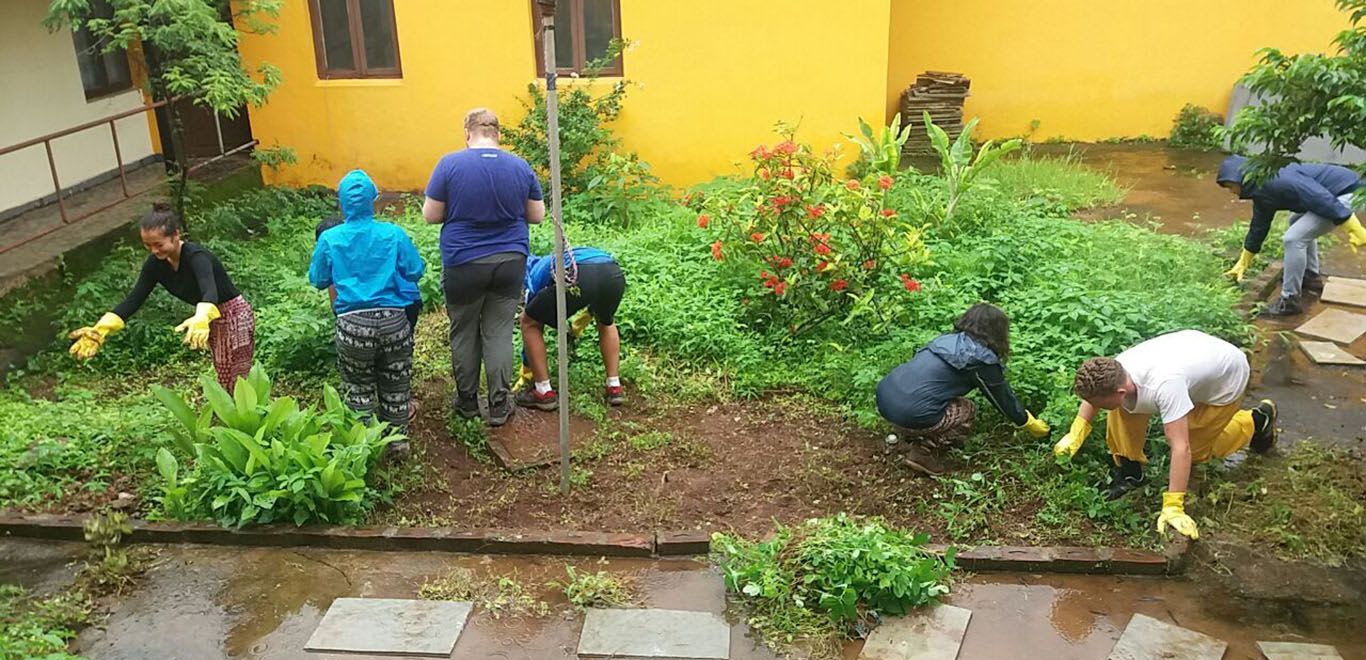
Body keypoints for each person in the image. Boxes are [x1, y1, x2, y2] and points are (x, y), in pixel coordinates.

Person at [1054, 330, 1278, 540]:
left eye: (1098, 405)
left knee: (1196, 448)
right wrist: (1076, 432)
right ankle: (1131, 472)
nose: (1095, 408)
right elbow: (1095, 395)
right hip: (1191, 354)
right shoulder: (1116, 372)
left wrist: (1173, 505)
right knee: (1121, 412)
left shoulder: (1165, 386)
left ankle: (1257, 420)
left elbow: (1181, 447)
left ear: (1120, 392)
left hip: (1226, 377)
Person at [423, 108, 545, 427]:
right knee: (500, 332)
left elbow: (431, 215)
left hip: (463, 262)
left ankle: (466, 402)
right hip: (510, 260)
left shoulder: (450, 164)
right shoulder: (520, 166)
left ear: (467, 132)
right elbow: (537, 215)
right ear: (497, 134)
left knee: (464, 330)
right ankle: (500, 404)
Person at [68, 202, 255, 389]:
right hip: (207, 318)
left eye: (158, 244)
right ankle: (232, 412)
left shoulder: (197, 257)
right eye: (148, 246)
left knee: (234, 373)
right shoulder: (155, 265)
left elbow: (209, 291)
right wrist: (101, 329)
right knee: (223, 368)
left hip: (233, 314)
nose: (154, 251)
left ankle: (242, 414)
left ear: (175, 236)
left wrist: (202, 316)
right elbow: (134, 299)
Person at [309, 170, 425, 455]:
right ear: (374, 201)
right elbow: (415, 271)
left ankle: (363, 448)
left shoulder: (330, 239)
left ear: (342, 204)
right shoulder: (393, 234)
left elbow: (318, 279)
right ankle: (397, 444)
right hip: (393, 321)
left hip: (352, 325)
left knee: (358, 386)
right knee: (396, 382)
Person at [875, 303, 1050, 476]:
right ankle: (923, 452)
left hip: (884, 399)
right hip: (911, 412)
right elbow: (1001, 399)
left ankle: (908, 432)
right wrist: (1027, 421)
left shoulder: (946, 340)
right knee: (966, 409)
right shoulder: (980, 359)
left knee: (931, 400)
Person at [1216, 155, 1366, 316]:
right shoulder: (1261, 188)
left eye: (1231, 186)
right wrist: (1244, 260)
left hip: (1352, 193)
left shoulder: (1278, 181)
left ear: (1241, 179)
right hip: (1333, 193)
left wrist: (1353, 227)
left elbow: (1320, 198)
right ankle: (1310, 276)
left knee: (1294, 238)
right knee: (1296, 220)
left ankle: (1289, 301)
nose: (1231, 192)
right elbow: (1259, 226)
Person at [515, 246, 627, 410]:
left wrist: (527, 368)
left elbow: (533, 322)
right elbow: (593, 297)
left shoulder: (532, 274)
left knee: (529, 322)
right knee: (606, 321)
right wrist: (576, 328)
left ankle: (543, 391)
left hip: (582, 274)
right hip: (613, 272)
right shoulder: (553, 260)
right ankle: (614, 386)